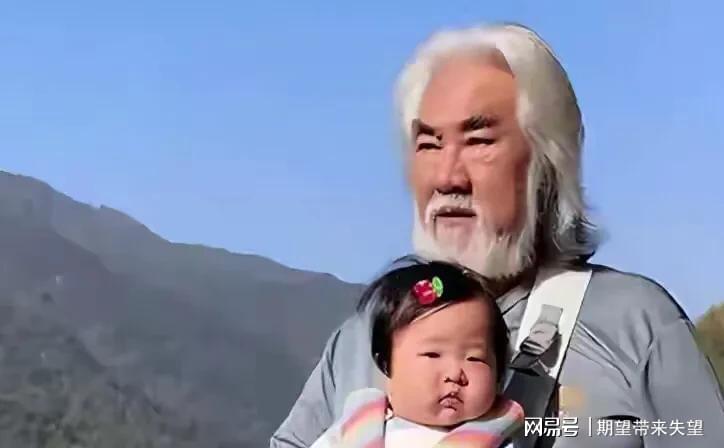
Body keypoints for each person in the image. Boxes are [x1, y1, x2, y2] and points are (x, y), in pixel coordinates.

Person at [270, 23, 724, 448]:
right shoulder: (365, 335)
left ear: (549, 161)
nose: (447, 177)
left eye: (479, 141)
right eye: (428, 145)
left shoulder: (635, 324)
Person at [310, 257, 524, 448]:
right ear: (386, 364)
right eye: (432, 355)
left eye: (474, 358)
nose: (454, 374)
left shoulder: (499, 438)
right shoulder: (356, 427)